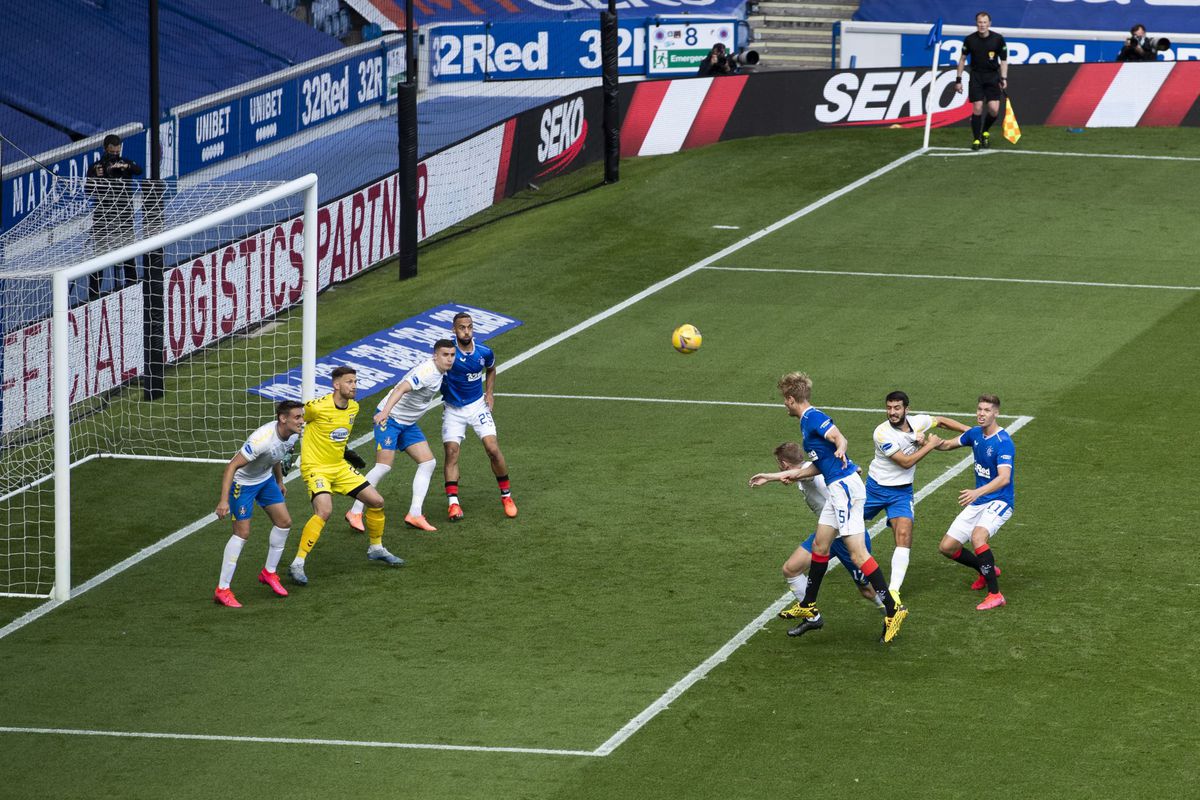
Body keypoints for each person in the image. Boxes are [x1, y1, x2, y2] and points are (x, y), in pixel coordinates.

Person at [774, 372, 907, 642]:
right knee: (820, 546)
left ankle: (893, 611)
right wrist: (772, 477)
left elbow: (838, 437)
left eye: (785, 400)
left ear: (791, 399)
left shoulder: (813, 417)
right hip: (838, 490)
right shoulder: (805, 422)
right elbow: (819, 463)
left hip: (843, 489)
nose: (784, 404)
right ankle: (808, 604)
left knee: (858, 556)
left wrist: (842, 446)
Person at [288, 366, 403, 586]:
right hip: (316, 467)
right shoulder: (316, 408)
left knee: (376, 501)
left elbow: (336, 435)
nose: (354, 386)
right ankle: (298, 563)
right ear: (336, 384)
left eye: (355, 381)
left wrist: (347, 452)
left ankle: (376, 548)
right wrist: (287, 450)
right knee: (324, 511)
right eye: (349, 382)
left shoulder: (353, 407)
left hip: (339, 467)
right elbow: (295, 424)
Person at [750, 442, 879, 636]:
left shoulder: (809, 472)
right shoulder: (816, 467)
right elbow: (852, 469)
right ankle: (812, 617)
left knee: (868, 590)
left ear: (784, 464)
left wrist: (767, 477)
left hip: (846, 536)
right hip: (825, 534)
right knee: (791, 569)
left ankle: (891, 612)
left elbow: (800, 475)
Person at [345, 339, 457, 534]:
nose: (449, 359)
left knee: (428, 463)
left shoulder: (441, 371)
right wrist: (385, 412)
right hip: (391, 419)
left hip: (407, 423)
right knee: (383, 466)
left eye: (452, 355)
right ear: (435, 356)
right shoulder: (427, 372)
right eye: (445, 355)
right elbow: (401, 388)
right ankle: (355, 512)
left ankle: (415, 514)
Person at [866, 391, 971, 593]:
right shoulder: (882, 433)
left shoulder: (917, 422)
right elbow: (905, 463)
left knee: (904, 535)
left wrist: (969, 431)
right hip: (875, 489)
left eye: (897, 408)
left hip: (901, 493)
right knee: (841, 527)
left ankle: (893, 591)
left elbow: (940, 421)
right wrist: (930, 445)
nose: (892, 412)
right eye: (889, 408)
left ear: (907, 409)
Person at [213, 400, 304, 607]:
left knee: (284, 522)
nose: (301, 421)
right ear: (283, 418)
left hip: (265, 480)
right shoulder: (261, 440)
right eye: (297, 417)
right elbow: (231, 467)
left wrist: (279, 481)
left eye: (302, 416)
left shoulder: (292, 434)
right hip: (243, 484)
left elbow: (277, 456)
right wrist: (223, 501)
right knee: (242, 534)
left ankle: (269, 573)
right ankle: (222, 589)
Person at [933, 394, 1014, 610]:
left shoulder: (1003, 442)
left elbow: (1004, 478)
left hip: (1000, 500)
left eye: (987, 410)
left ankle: (995, 594)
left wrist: (977, 492)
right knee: (947, 547)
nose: (981, 414)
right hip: (980, 500)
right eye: (979, 409)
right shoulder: (975, 434)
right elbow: (947, 445)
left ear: (996, 413)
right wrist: (929, 444)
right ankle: (985, 569)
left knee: (978, 537)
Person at [441, 312, 517, 521]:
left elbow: (491, 369)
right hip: (453, 409)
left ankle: (506, 496)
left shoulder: (484, 352)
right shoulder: (449, 353)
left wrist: (489, 393)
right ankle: (453, 504)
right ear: (454, 329)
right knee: (451, 452)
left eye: (469, 327)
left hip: (477, 407)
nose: (466, 331)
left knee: (492, 449)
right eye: (462, 327)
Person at [84, 133, 143, 301]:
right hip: (103, 220)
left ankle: (133, 292)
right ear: (105, 149)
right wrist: (97, 178)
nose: (115, 155)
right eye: (112, 152)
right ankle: (93, 298)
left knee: (128, 258)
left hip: (124, 219)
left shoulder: (125, 164)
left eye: (117, 152)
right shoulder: (96, 167)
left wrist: (125, 166)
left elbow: (139, 170)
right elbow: (88, 190)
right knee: (99, 261)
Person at [954, 11, 1008, 151]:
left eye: (985, 22)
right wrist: (958, 80)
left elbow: (1003, 60)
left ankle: (984, 131)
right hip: (976, 77)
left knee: (994, 110)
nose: (982, 25)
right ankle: (976, 139)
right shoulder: (969, 39)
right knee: (977, 107)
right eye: (980, 22)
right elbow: (962, 59)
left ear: (989, 24)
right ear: (976, 23)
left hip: (992, 77)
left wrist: (1003, 78)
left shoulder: (998, 39)